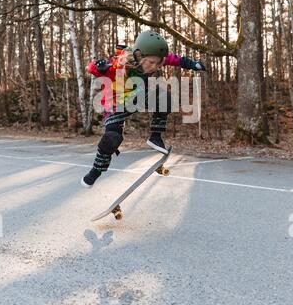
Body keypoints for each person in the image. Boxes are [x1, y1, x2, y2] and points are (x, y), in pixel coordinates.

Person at [81, 30, 205, 188]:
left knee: (164, 98)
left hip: (137, 97)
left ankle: (155, 137)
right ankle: (96, 171)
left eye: (158, 64)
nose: (154, 67)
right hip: (115, 106)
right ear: (139, 56)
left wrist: (193, 64)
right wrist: (99, 66)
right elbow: (91, 69)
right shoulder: (120, 64)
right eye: (151, 63)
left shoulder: (155, 59)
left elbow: (175, 59)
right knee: (112, 138)